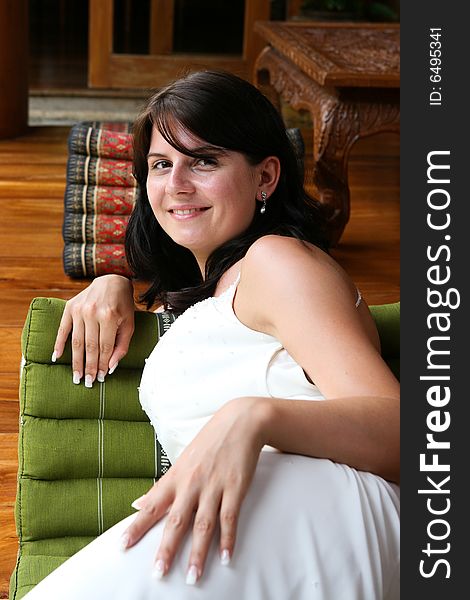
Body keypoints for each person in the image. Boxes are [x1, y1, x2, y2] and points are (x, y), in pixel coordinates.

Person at [26, 70, 400, 599]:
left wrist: (254, 416)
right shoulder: (217, 289)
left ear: (265, 177)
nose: (176, 183)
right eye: (161, 164)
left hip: (320, 513)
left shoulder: (277, 261)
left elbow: (406, 431)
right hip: (243, 519)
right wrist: (114, 280)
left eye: (204, 160)